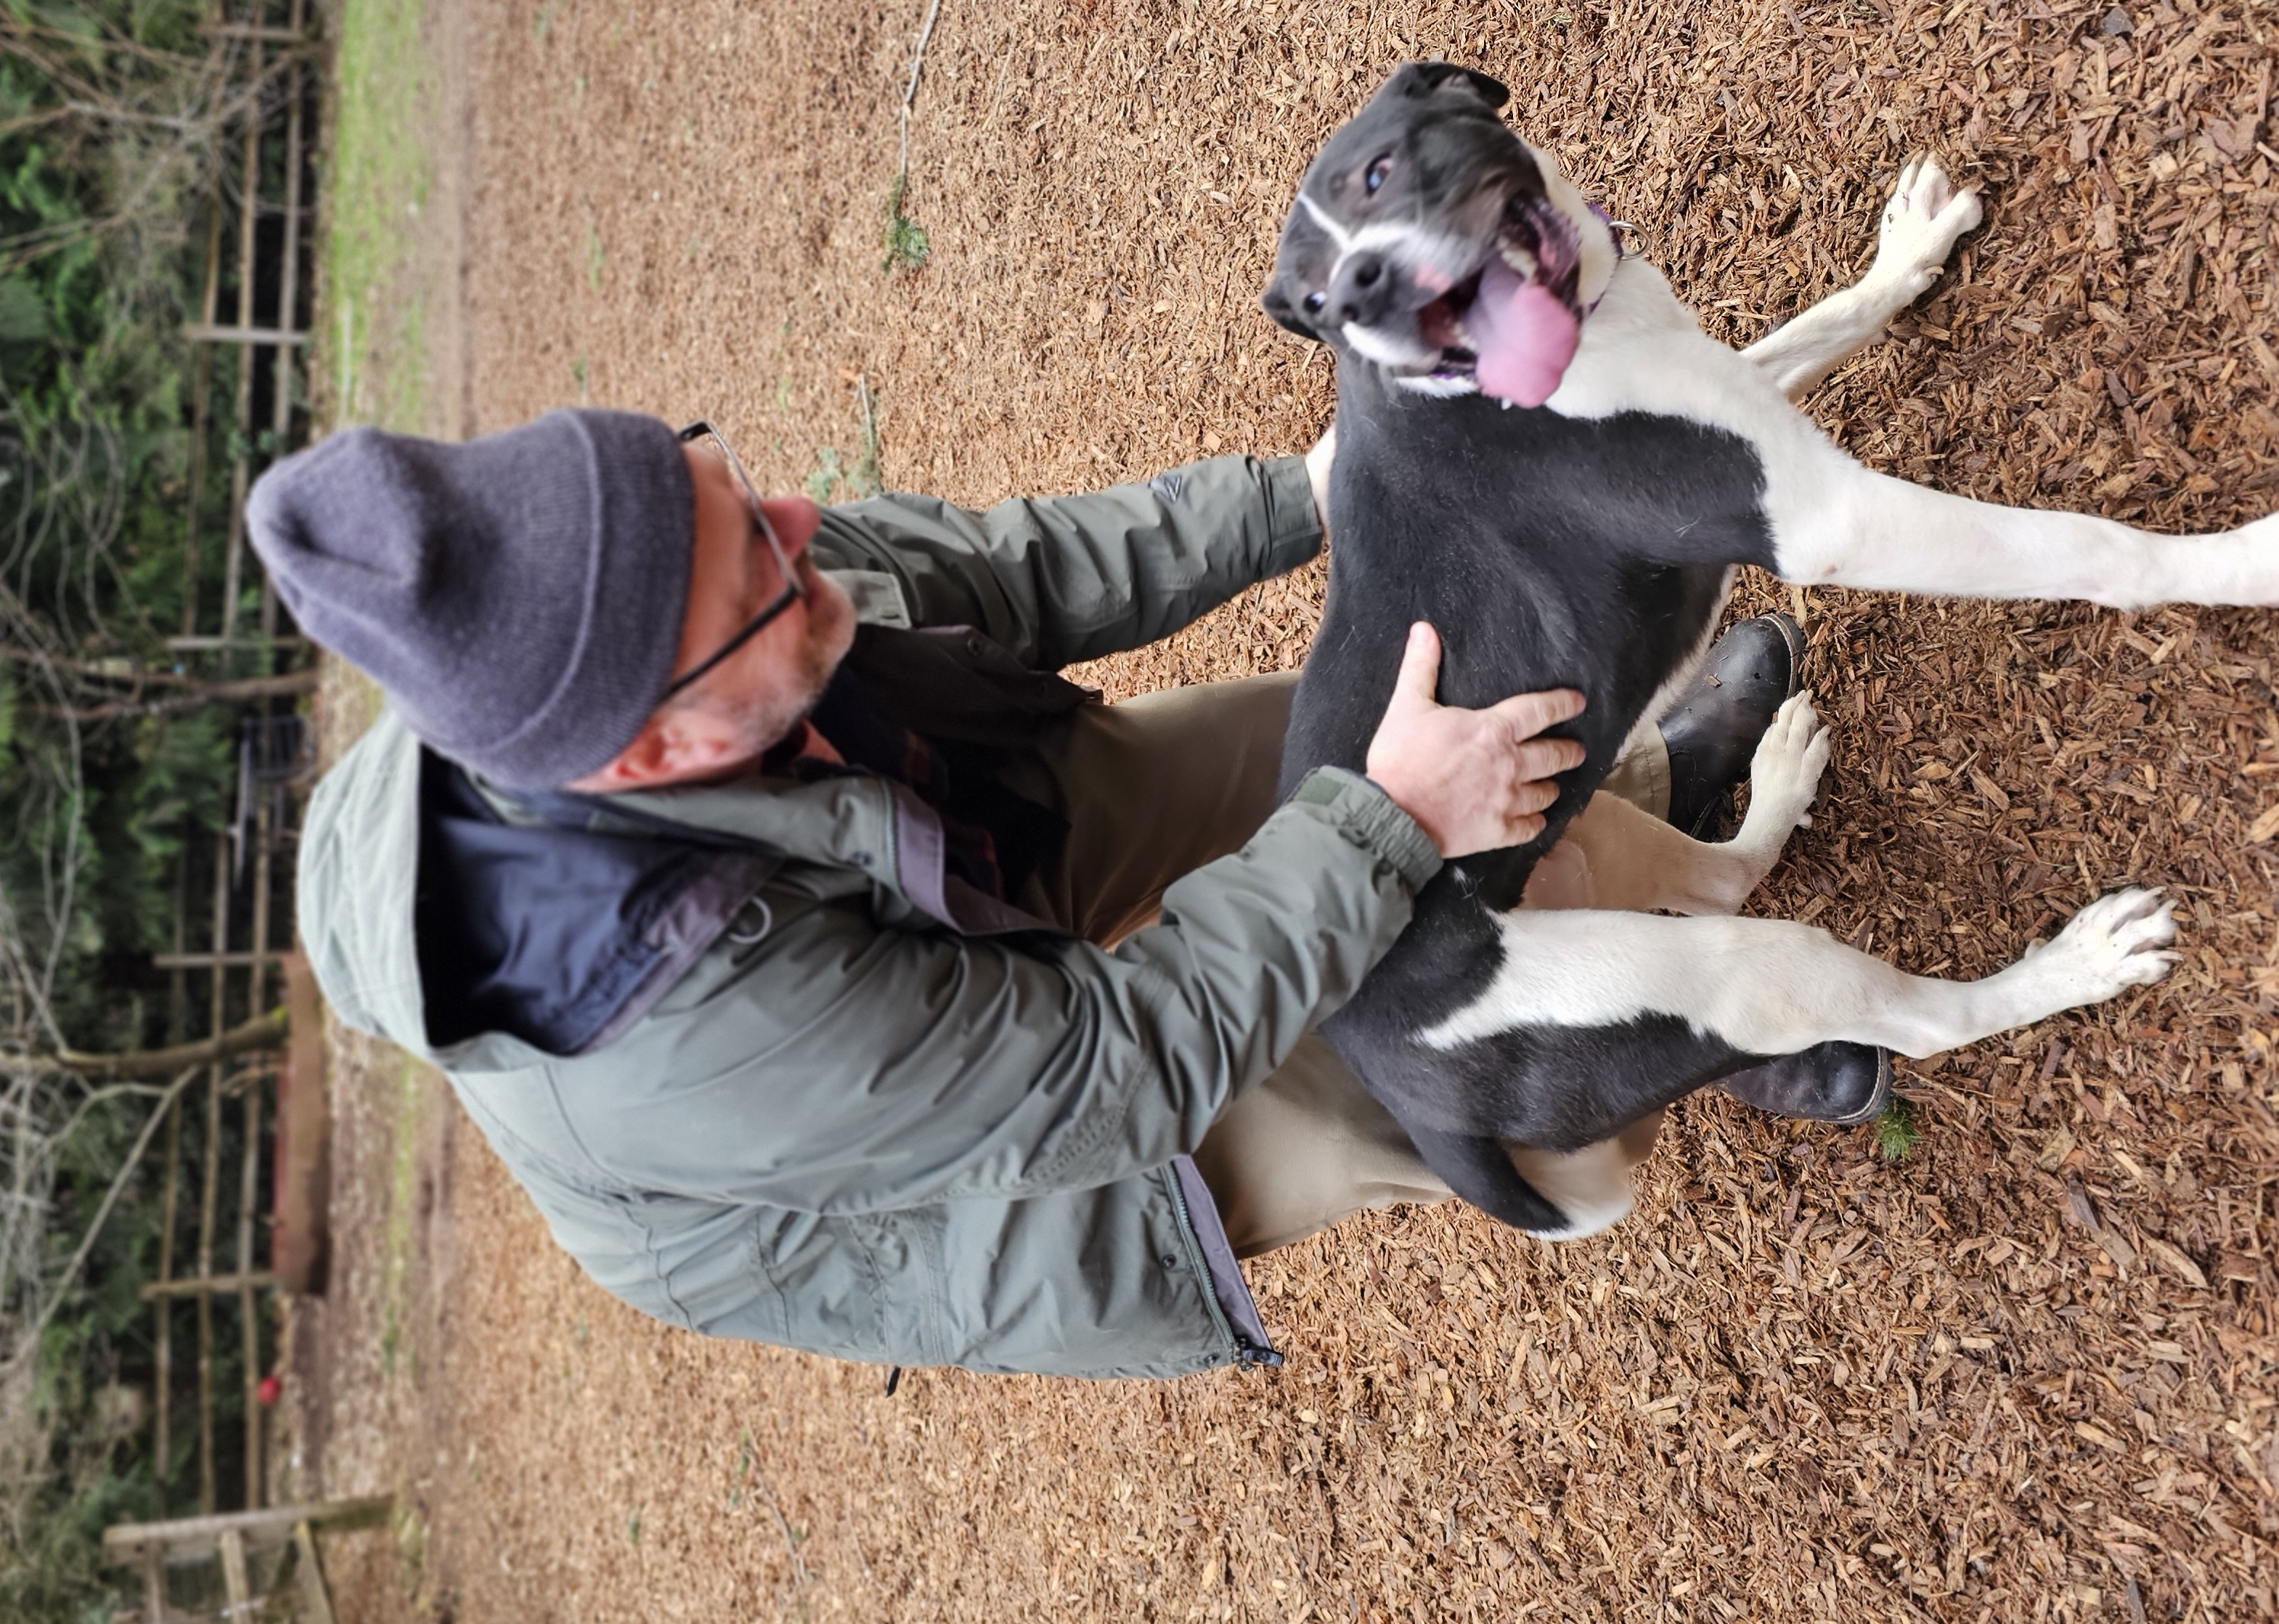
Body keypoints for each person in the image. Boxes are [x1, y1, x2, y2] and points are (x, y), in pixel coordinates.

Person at [256, 409, 1867, 1381]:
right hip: (959, 1168)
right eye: (766, 566)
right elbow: (1107, 1070)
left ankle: (1654, 797)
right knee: (1370, 1064)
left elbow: (1000, 573)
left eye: (738, 490)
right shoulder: (673, 1038)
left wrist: (1319, 491)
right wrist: (1379, 827)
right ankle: (1684, 1035)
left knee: (1311, 755)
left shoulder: (661, 601)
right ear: (657, 744)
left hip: (897, 815)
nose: (806, 528)